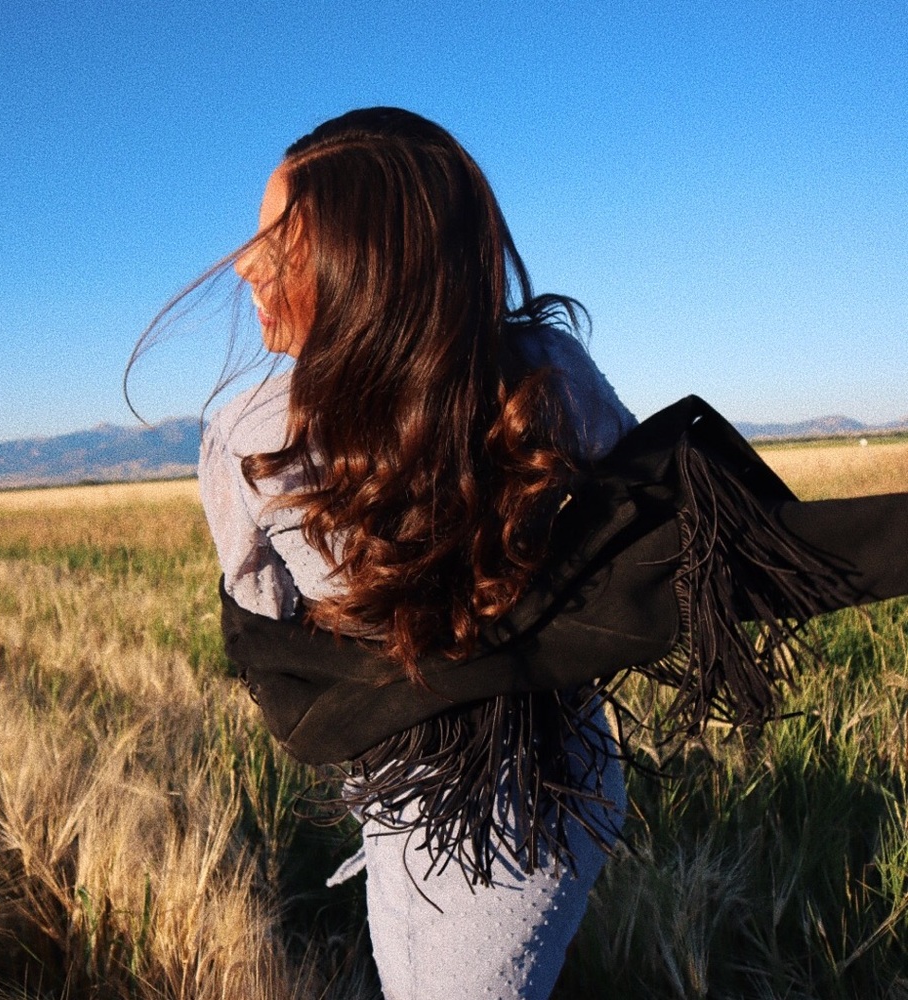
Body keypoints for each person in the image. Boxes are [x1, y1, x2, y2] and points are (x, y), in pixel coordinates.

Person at [188, 108, 636, 999]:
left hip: (445, 809)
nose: (245, 261)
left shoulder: (249, 438)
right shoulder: (547, 374)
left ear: (370, 262)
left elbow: (271, 624)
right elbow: (634, 510)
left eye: (279, 238)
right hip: (568, 767)